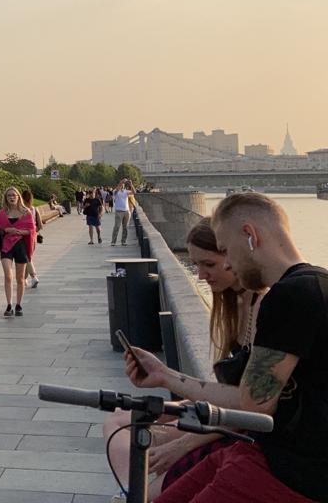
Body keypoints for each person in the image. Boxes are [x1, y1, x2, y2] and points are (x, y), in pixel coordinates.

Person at [124, 193, 327, 503]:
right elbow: (251, 398)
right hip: (259, 450)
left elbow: (253, 404)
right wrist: (165, 375)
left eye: (226, 250)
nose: (228, 262)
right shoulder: (317, 283)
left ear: (250, 235)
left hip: (289, 473)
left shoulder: (289, 296)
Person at [104, 218, 265, 499]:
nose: (201, 275)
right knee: (118, 422)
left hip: (233, 426)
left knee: (148, 468)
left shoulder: (264, 306)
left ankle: (136, 493)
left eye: (209, 264)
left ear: (233, 255)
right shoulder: (233, 304)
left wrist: (182, 444)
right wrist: (176, 397)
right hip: (221, 412)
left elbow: (251, 407)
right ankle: (131, 491)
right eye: (196, 265)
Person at [0, 187, 36, 317]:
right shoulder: (2, 213)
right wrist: (7, 230)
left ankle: (19, 305)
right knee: (8, 275)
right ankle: (9, 305)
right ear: (6, 198)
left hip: (20, 245)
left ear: (18, 197)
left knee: (20, 278)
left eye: (14, 195)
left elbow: (32, 230)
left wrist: (19, 232)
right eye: (9, 195)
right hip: (6, 246)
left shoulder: (26, 212)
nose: (11, 197)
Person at [20, 188, 44, 289]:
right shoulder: (34, 209)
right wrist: (33, 231)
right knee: (27, 257)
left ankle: (34, 277)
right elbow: (40, 225)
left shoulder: (21, 210)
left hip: (22, 236)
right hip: (33, 236)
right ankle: (24, 279)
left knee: (26, 258)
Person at [111, 179, 138, 246]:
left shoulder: (126, 192)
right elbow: (117, 190)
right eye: (121, 185)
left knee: (125, 227)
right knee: (117, 226)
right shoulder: (116, 191)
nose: (122, 186)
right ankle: (113, 241)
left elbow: (134, 192)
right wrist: (121, 181)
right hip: (119, 211)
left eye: (123, 185)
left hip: (126, 211)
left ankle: (123, 241)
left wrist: (131, 184)